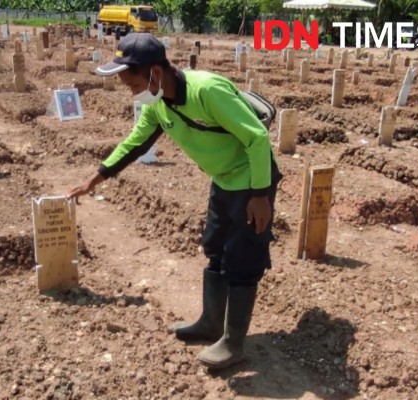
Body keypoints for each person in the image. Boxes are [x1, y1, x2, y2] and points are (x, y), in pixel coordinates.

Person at [67, 33, 282, 369]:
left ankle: (233, 344)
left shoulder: (206, 90)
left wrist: (259, 195)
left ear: (154, 73)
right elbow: (135, 143)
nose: (130, 90)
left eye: (131, 81)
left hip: (251, 180)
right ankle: (211, 323)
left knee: (242, 259)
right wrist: (95, 178)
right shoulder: (158, 104)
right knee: (214, 249)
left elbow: (256, 136)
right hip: (224, 180)